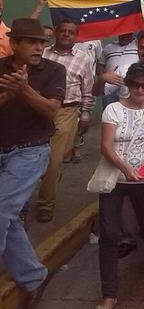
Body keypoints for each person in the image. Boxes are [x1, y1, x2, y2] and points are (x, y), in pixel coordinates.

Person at [0, 18, 65, 305]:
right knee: (8, 216)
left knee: (0, 211)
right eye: (32, 42)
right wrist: (8, 95)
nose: (40, 47)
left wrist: (24, 90)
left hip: (30, 152)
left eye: (42, 42)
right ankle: (33, 277)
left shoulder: (53, 70)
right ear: (14, 44)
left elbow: (52, 110)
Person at [96, 62, 144, 309]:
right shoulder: (113, 110)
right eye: (136, 85)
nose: (140, 90)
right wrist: (126, 169)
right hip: (115, 179)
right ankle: (109, 292)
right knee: (108, 232)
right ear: (127, 84)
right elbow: (106, 146)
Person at [37, 20, 94, 221]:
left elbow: (87, 90)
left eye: (71, 32)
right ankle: (50, 179)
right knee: (37, 157)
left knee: (52, 160)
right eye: (63, 31)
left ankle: (45, 204)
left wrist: (85, 114)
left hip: (67, 111)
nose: (66, 35)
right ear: (56, 32)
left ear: (76, 36)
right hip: (40, 109)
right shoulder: (43, 54)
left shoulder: (83, 59)